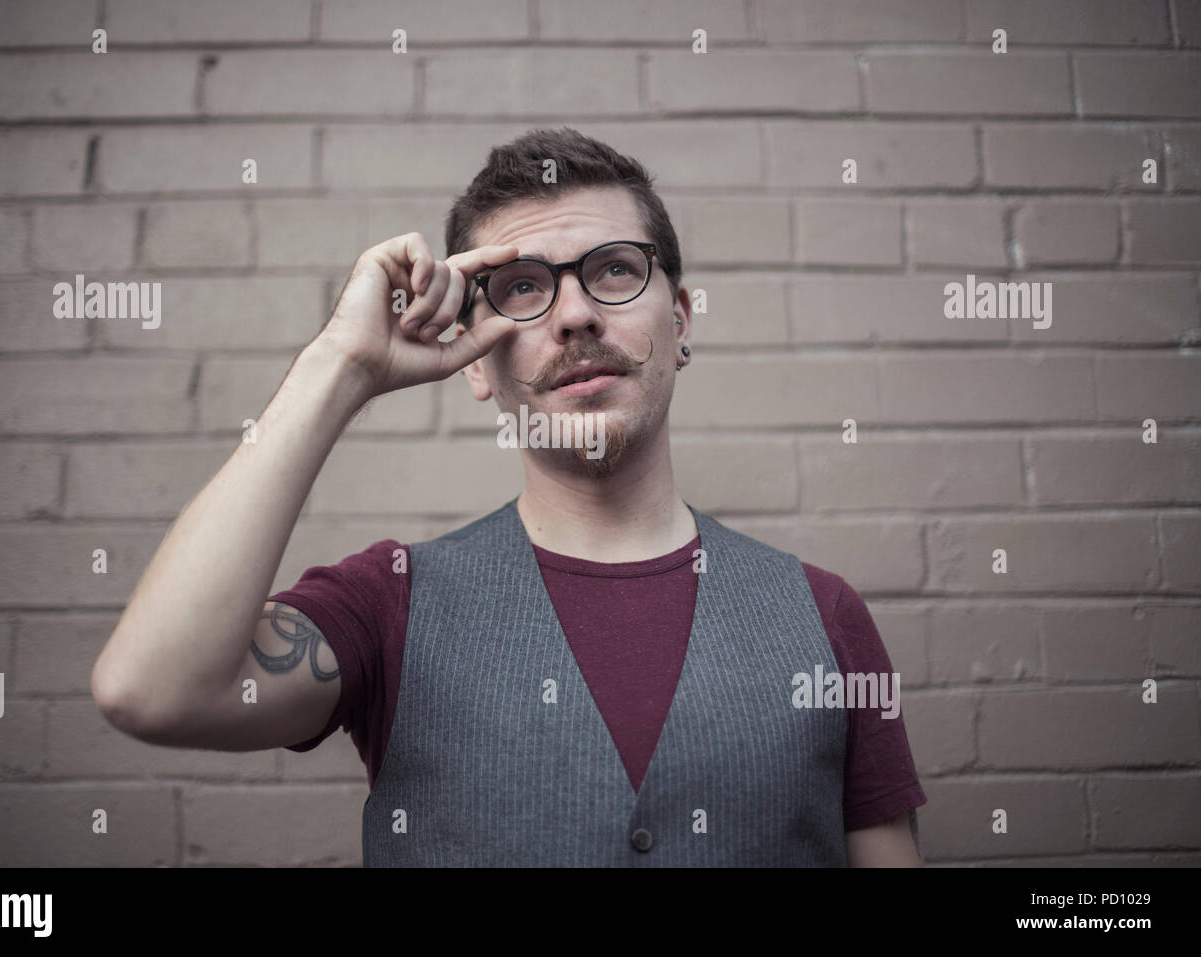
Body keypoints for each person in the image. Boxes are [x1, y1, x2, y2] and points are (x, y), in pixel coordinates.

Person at [92, 127, 926, 867]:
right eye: (523, 287)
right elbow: (152, 689)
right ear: (475, 366)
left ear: (681, 320)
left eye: (613, 271)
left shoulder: (825, 615)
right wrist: (339, 366)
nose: (574, 315)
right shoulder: (387, 602)